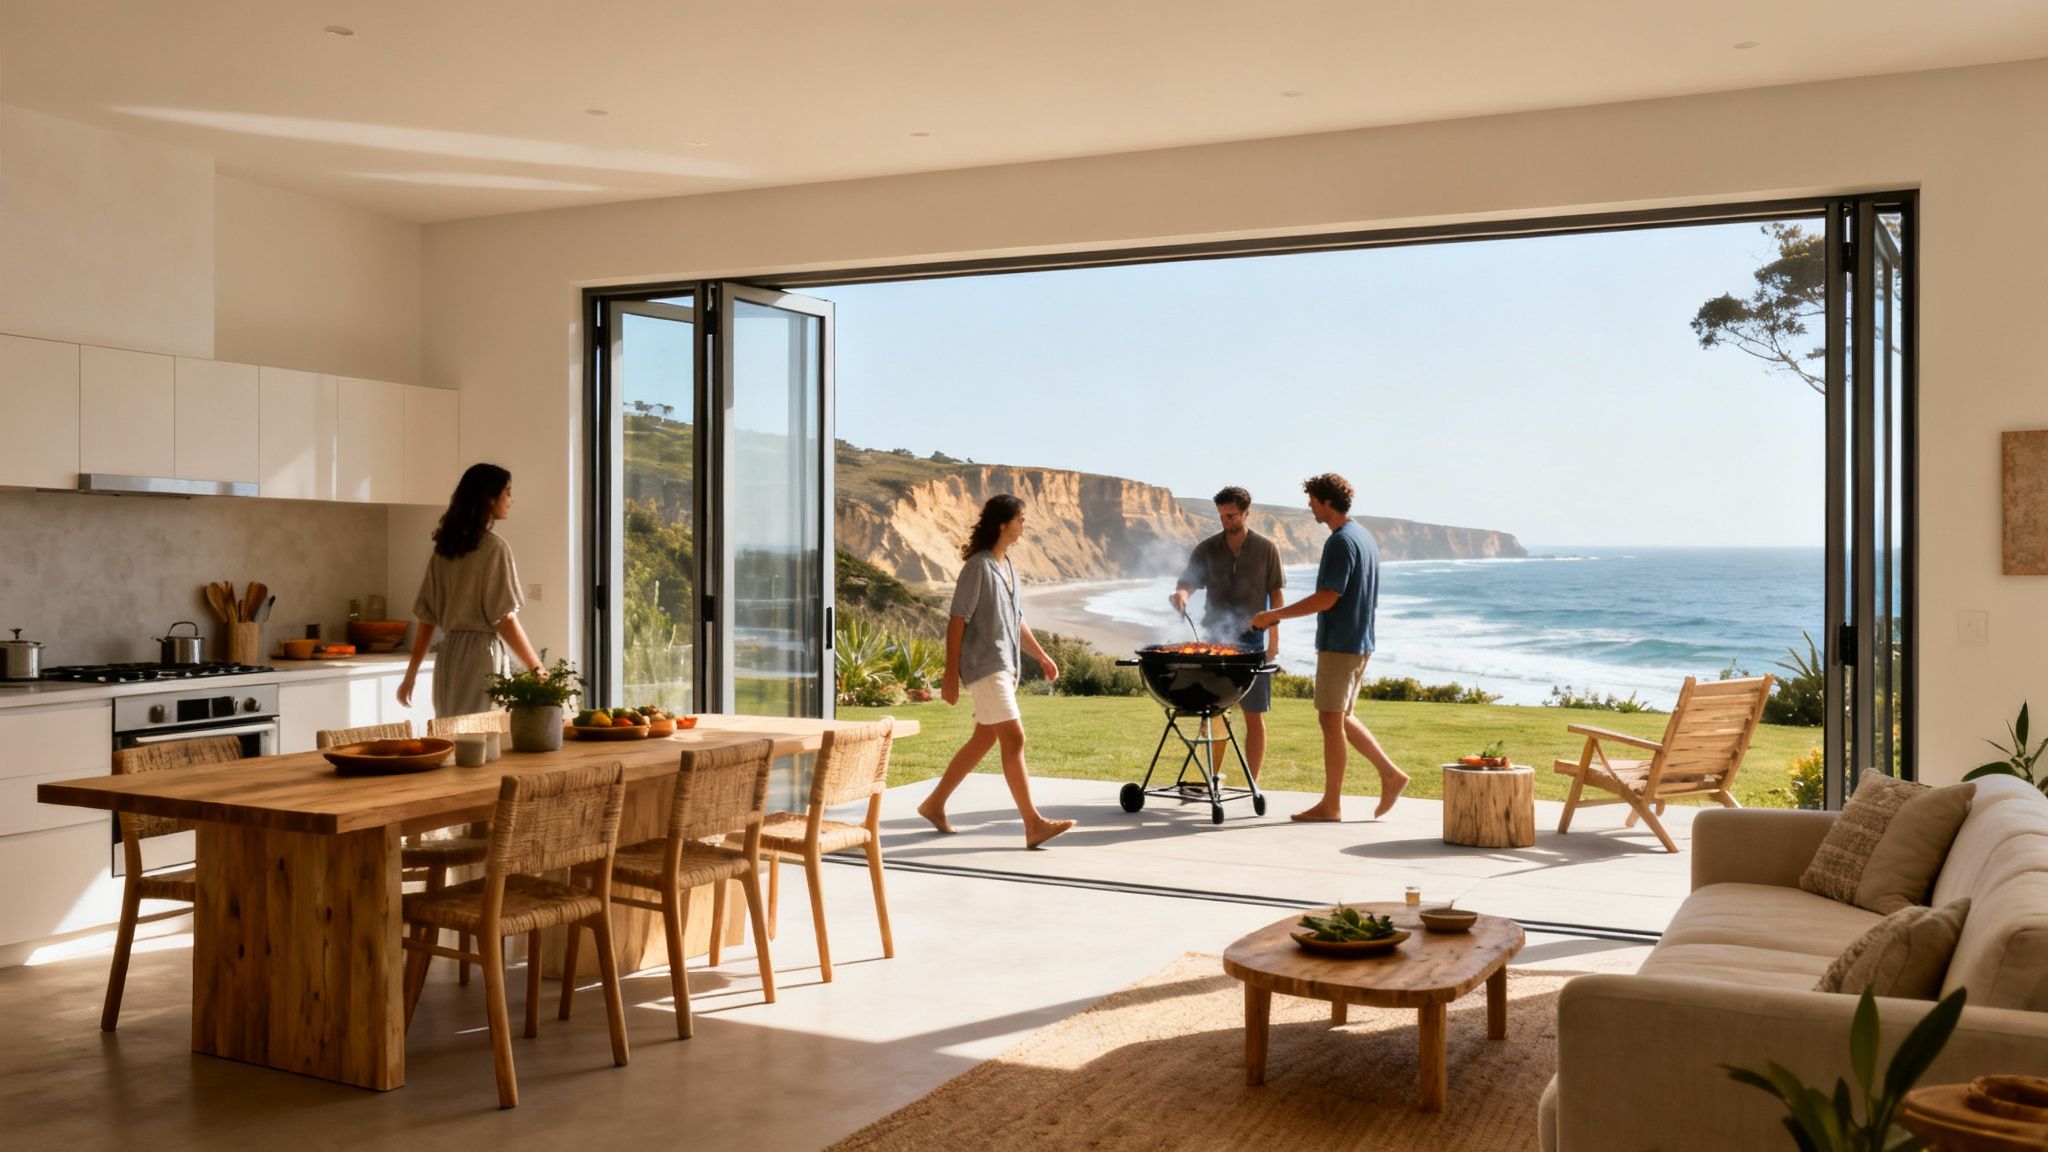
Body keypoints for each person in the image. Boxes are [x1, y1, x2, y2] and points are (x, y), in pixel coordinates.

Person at [916, 494, 1077, 849]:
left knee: (983, 738)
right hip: (986, 666)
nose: (1024, 526)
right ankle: (1033, 824)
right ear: (1003, 524)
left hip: (1005, 665)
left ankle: (934, 803)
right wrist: (950, 673)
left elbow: (1016, 621)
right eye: (1020, 520)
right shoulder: (978, 567)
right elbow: (957, 621)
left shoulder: (1008, 567)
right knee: (1015, 738)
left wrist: (1042, 655)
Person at [1250, 473, 1409, 821]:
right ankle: (1391, 775)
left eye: (1312, 502)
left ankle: (1331, 804)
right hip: (1361, 641)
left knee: (1329, 720)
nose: (1310, 508)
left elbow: (1327, 597)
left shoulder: (1340, 542)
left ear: (1326, 501)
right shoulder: (1363, 536)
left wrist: (1273, 615)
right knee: (1341, 717)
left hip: (1341, 643)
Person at [398, 462, 544, 717]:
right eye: (507, 492)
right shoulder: (494, 549)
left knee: (453, 737)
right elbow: (504, 618)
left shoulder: (444, 551)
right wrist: (537, 669)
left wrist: (410, 677)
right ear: (490, 498)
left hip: (449, 657)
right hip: (480, 658)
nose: (511, 499)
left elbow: (427, 619)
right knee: (481, 740)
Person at [1167, 485, 1286, 782]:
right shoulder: (1207, 548)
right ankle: (1209, 777)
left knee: (1254, 715)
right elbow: (1187, 582)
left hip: (1252, 643)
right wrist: (1181, 595)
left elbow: (1277, 598)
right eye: (1222, 516)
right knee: (1211, 713)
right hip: (1213, 640)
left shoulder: (1266, 549)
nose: (1226, 521)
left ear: (1246, 513)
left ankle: (1252, 783)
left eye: (1232, 515)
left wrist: (1274, 644)